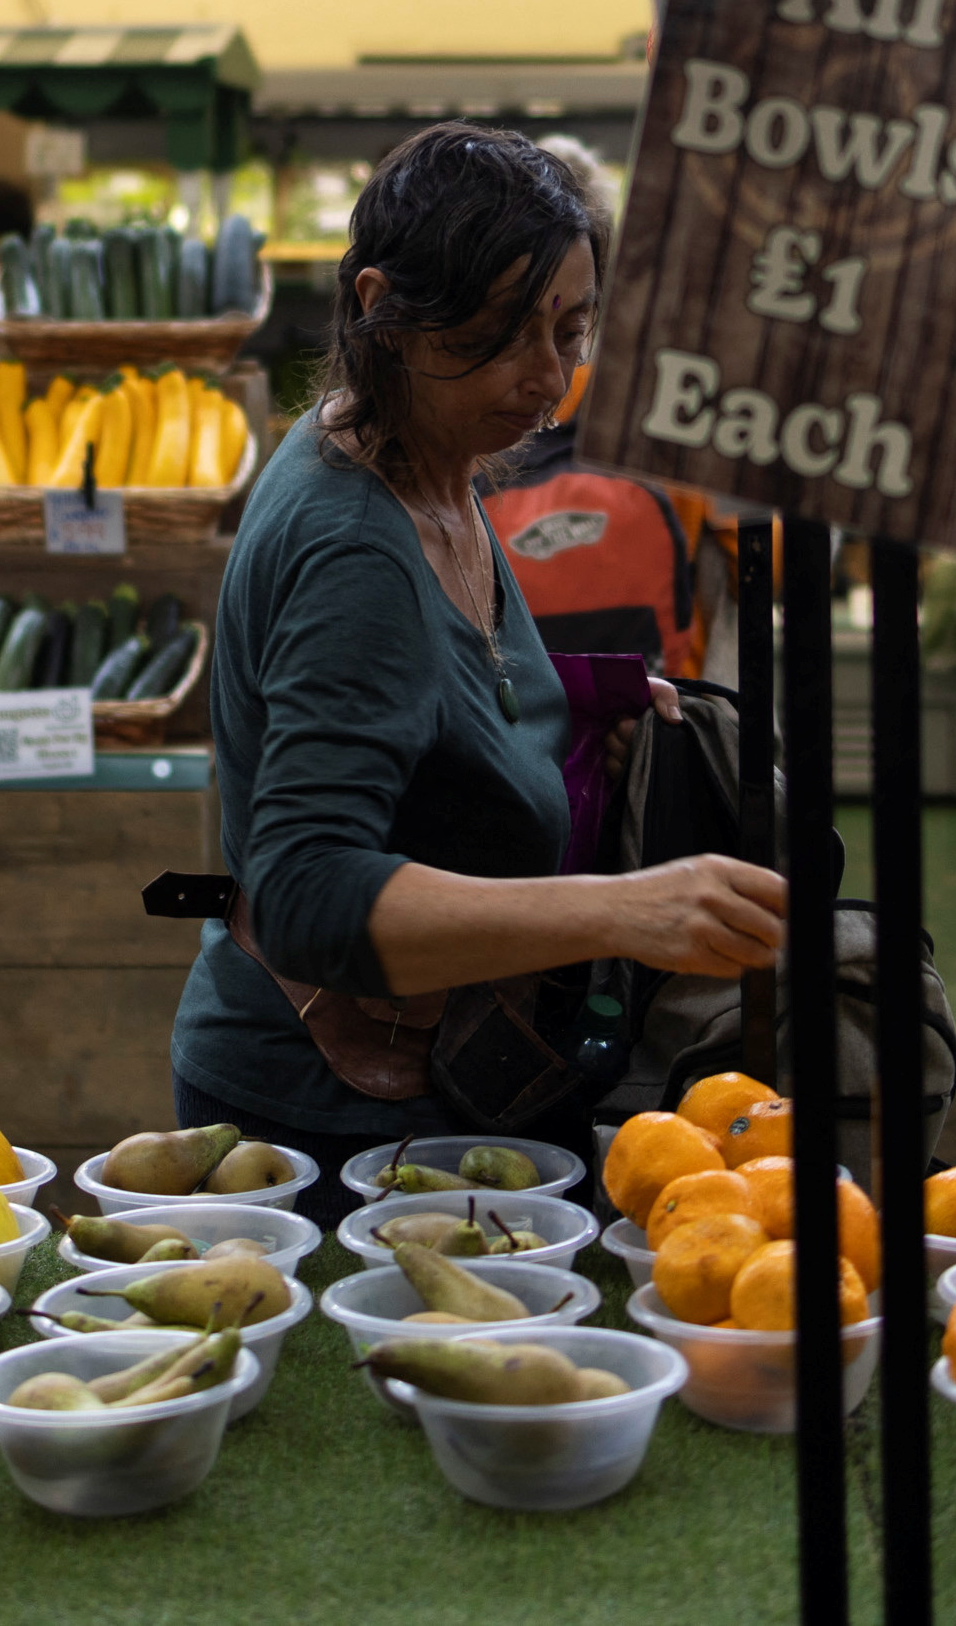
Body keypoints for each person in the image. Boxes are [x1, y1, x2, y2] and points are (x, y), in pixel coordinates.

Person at [167, 123, 788, 1224]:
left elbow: (431, 706)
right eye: (501, 335)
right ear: (380, 310)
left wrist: (582, 704)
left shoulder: (430, 468)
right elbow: (309, 891)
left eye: (569, 328)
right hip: (337, 1132)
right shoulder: (355, 543)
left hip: (436, 1087)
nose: (547, 376)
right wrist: (618, 911)